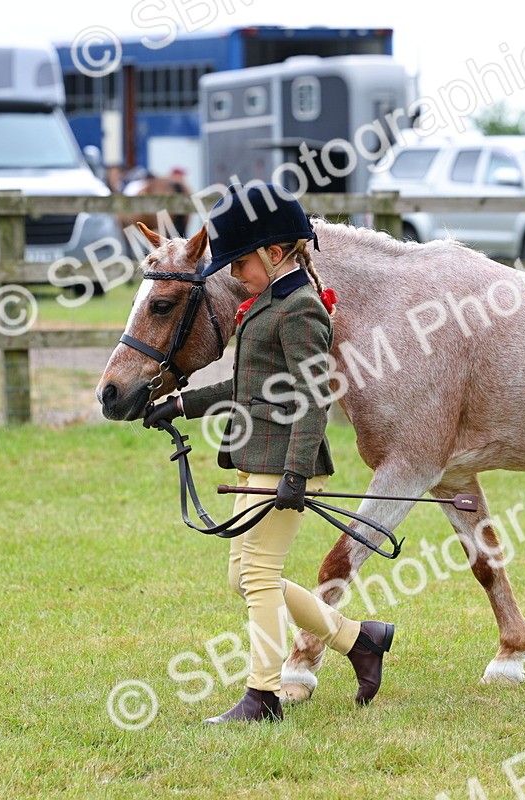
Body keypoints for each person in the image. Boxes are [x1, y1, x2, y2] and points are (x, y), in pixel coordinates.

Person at [143, 181, 395, 723]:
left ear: (274, 253)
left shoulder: (301, 309)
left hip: (285, 463)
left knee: (257, 575)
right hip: (256, 457)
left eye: (241, 264)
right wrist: (181, 405)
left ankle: (263, 695)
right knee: (244, 577)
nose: (233, 275)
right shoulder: (266, 304)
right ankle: (360, 639)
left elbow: (312, 396)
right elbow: (248, 387)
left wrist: (297, 472)